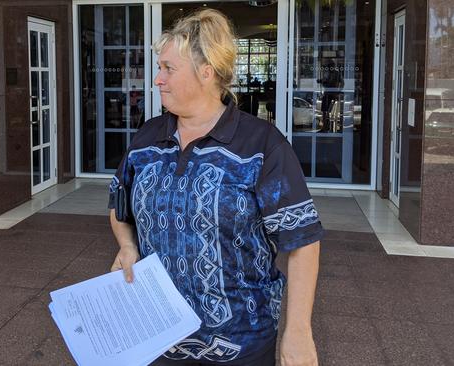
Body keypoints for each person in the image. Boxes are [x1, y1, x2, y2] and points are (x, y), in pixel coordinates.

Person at [108, 9, 323, 366]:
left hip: (239, 345)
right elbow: (119, 206)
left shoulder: (260, 145)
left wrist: (298, 330)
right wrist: (127, 246)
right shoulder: (147, 137)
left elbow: (302, 241)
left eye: (168, 69)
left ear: (206, 72)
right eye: (159, 68)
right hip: (155, 333)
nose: (157, 79)